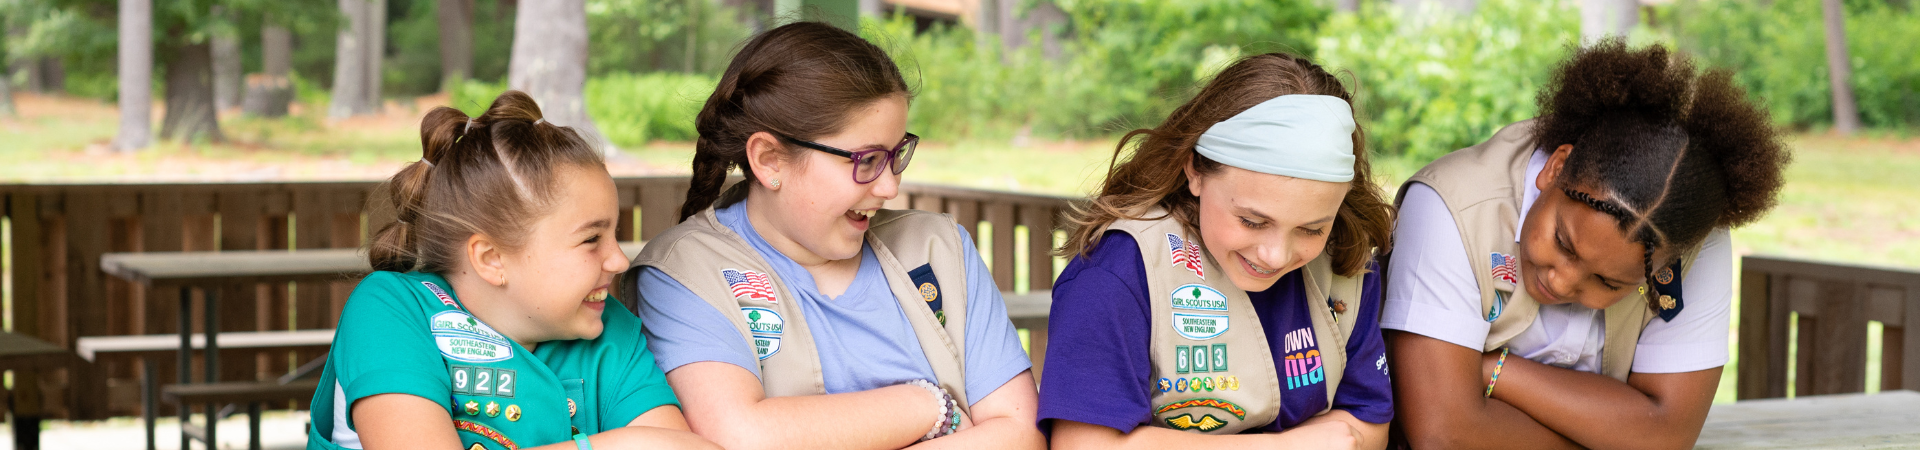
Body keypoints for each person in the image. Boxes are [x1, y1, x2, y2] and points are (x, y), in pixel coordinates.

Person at [623, 22, 1044, 449]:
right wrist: (930, 406)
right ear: (769, 161)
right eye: (866, 160)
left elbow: (1020, 434)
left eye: (897, 154)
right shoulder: (683, 274)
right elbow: (741, 436)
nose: (890, 187)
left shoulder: (940, 249)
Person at [1383, 39, 1790, 448]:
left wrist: (1494, 371)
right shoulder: (1452, 205)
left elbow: (1667, 434)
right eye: (1564, 243)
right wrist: (1612, 435)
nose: (1561, 282)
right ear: (1556, 168)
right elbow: (1443, 434)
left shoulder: (1689, 238)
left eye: (1609, 283)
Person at [307, 91, 713, 450]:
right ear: (491, 259)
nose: (620, 261)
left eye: (614, 234)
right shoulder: (390, 310)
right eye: (592, 240)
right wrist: (620, 444)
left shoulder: (610, 327)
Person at [1039, 53, 1397, 450]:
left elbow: (1370, 424)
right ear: (1195, 170)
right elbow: (1083, 444)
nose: (1275, 255)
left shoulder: (1346, 255)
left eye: (1312, 228)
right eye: (1252, 221)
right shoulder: (1118, 271)